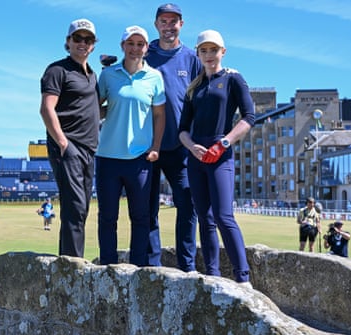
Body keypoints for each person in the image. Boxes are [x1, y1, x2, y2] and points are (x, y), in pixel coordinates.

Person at [178, 30, 254, 285]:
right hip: (197, 158)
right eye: (204, 51)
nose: (209, 55)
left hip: (220, 155)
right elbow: (182, 130)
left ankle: (243, 278)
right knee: (205, 218)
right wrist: (192, 147)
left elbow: (248, 117)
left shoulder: (233, 79)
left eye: (213, 50)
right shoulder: (194, 87)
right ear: (198, 54)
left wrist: (224, 143)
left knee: (223, 216)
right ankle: (213, 276)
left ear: (223, 51)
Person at [96, 25, 165, 266]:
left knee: (141, 217)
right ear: (123, 46)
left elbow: (159, 115)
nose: (135, 49)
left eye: (140, 44)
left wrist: (156, 146)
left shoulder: (154, 77)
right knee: (107, 218)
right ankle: (107, 266)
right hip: (107, 157)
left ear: (146, 48)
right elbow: (95, 107)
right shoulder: (108, 75)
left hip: (139, 160)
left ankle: (138, 269)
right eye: (131, 44)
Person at [145, 3, 202, 271]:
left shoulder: (192, 59)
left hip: (181, 146)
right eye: (164, 21)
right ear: (156, 24)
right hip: (148, 145)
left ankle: (187, 266)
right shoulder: (145, 54)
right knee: (147, 209)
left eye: (174, 21)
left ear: (182, 24)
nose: (169, 26)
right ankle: (152, 266)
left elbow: (202, 99)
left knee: (188, 204)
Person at [40, 18, 100, 258]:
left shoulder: (92, 75)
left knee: (82, 209)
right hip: (69, 147)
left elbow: (92, 108)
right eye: (78, 38)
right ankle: (73, 269)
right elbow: (46, 109)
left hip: (89, 149)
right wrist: (64, 143)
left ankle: (69, 262)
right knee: (74, 209)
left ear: (93, 45)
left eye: (88, 39)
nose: (82, 43)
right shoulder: (57, 70)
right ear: (68, 42)